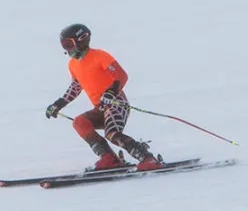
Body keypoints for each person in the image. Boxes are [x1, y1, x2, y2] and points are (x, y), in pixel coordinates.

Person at [45, 24, 164, 172]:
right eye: (64, 45)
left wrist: (111, 92)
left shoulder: (100, 56)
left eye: (69, 44)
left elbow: (121, 75)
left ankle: (148, 159)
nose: (66, 49)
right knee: (80, 122)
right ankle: (109, 158)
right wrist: (58, 104)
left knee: (112, 133)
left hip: (116, 103)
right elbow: (75, 87)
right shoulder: (73, 64)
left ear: (82, 40)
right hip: (100, 108)